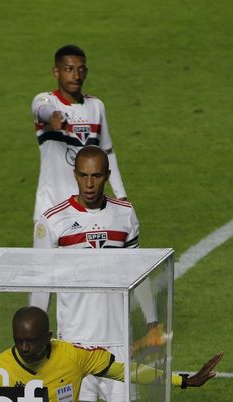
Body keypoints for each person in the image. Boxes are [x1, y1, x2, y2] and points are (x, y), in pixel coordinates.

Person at [32, 145, 155, 402]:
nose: (89, 183)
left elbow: (138, 270)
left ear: (107, 175)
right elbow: (41, 283)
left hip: (118, 341)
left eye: (96, 176)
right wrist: (35, 334)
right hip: (74, 345)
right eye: (83, 175)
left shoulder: (124, 214)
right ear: (75, 175)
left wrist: (152, 319)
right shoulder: (53, 220)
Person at [0, 306, 222, 402]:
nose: (24, 348)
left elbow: (126, 371)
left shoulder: (74, 356)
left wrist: (184, 380)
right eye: (19, 341)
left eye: (31, 342)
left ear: (49, 336)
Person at [30, 44, 127, 225]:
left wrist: (121, 195)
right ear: (56, 72)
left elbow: (107, 152)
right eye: (69, 69)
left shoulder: (96, 106)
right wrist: (53, 115)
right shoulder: (46, 100)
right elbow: (41, 108)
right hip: (50, 209)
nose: (76, 76)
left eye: (81, 70)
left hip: (88, 209)